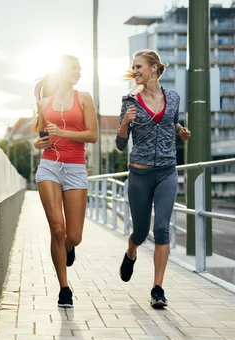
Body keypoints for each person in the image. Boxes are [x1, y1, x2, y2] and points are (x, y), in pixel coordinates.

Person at [115, 50, 191, 308]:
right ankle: (131, 251)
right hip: (140, 173)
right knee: (140, 231)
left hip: (167, 171)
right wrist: (125, 123)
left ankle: (158, 288)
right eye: (133, 67)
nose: (134, 71)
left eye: (139, 66)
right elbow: (120, 145)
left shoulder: (173, 97)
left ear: (153, 68)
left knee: (161, 229)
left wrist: (180, 130)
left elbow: (172, 121)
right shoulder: (129, 100)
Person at [33, 55, 98, 308]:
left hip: (75, 168)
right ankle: (64, 288)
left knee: (74, 236)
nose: (78, 72)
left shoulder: (84, 99)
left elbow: (92, 135)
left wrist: (65, 133)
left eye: (80, 69)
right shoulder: (44, 103)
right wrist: (38, 143)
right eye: (74, 68)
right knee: (57, 229)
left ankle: (67, 249)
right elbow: (41, 138)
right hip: (49, 166)